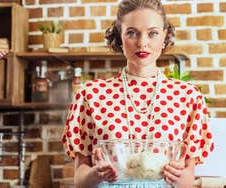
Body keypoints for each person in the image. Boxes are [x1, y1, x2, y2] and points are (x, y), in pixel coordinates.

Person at [61, 0, 214, 187]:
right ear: (119, 37)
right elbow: (80, 179)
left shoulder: (188, 97)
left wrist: (181, 179)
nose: (142, 42)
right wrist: (96, 174)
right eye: (132, 33)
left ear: (165, 36)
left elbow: (189, 177)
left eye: (153, 33)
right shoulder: (90, 95)